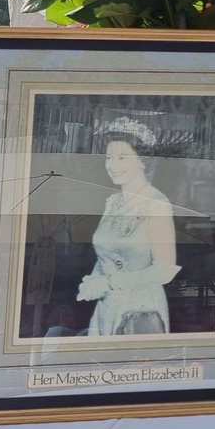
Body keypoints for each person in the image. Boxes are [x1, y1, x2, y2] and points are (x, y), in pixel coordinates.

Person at [76, 117, 180, 335]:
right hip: (107, 307)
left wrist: (108, 283)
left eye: (122, 157)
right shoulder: (113, 202)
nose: (112, 165)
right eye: (108, 157)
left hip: (141, 311)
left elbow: (165, 270)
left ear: (142, 160)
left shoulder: (156, 203)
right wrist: (93, 280)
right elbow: (106, 252)